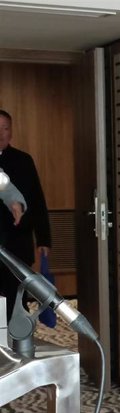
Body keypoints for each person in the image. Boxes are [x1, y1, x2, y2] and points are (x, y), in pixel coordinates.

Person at [0, 109, 51, 319]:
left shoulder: (23, 160)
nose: (0, 133)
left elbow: (37, 199)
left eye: (5, 128)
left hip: (17, 241)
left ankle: (18, 343)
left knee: (17, 296)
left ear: (11, 132)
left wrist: (43, 237)